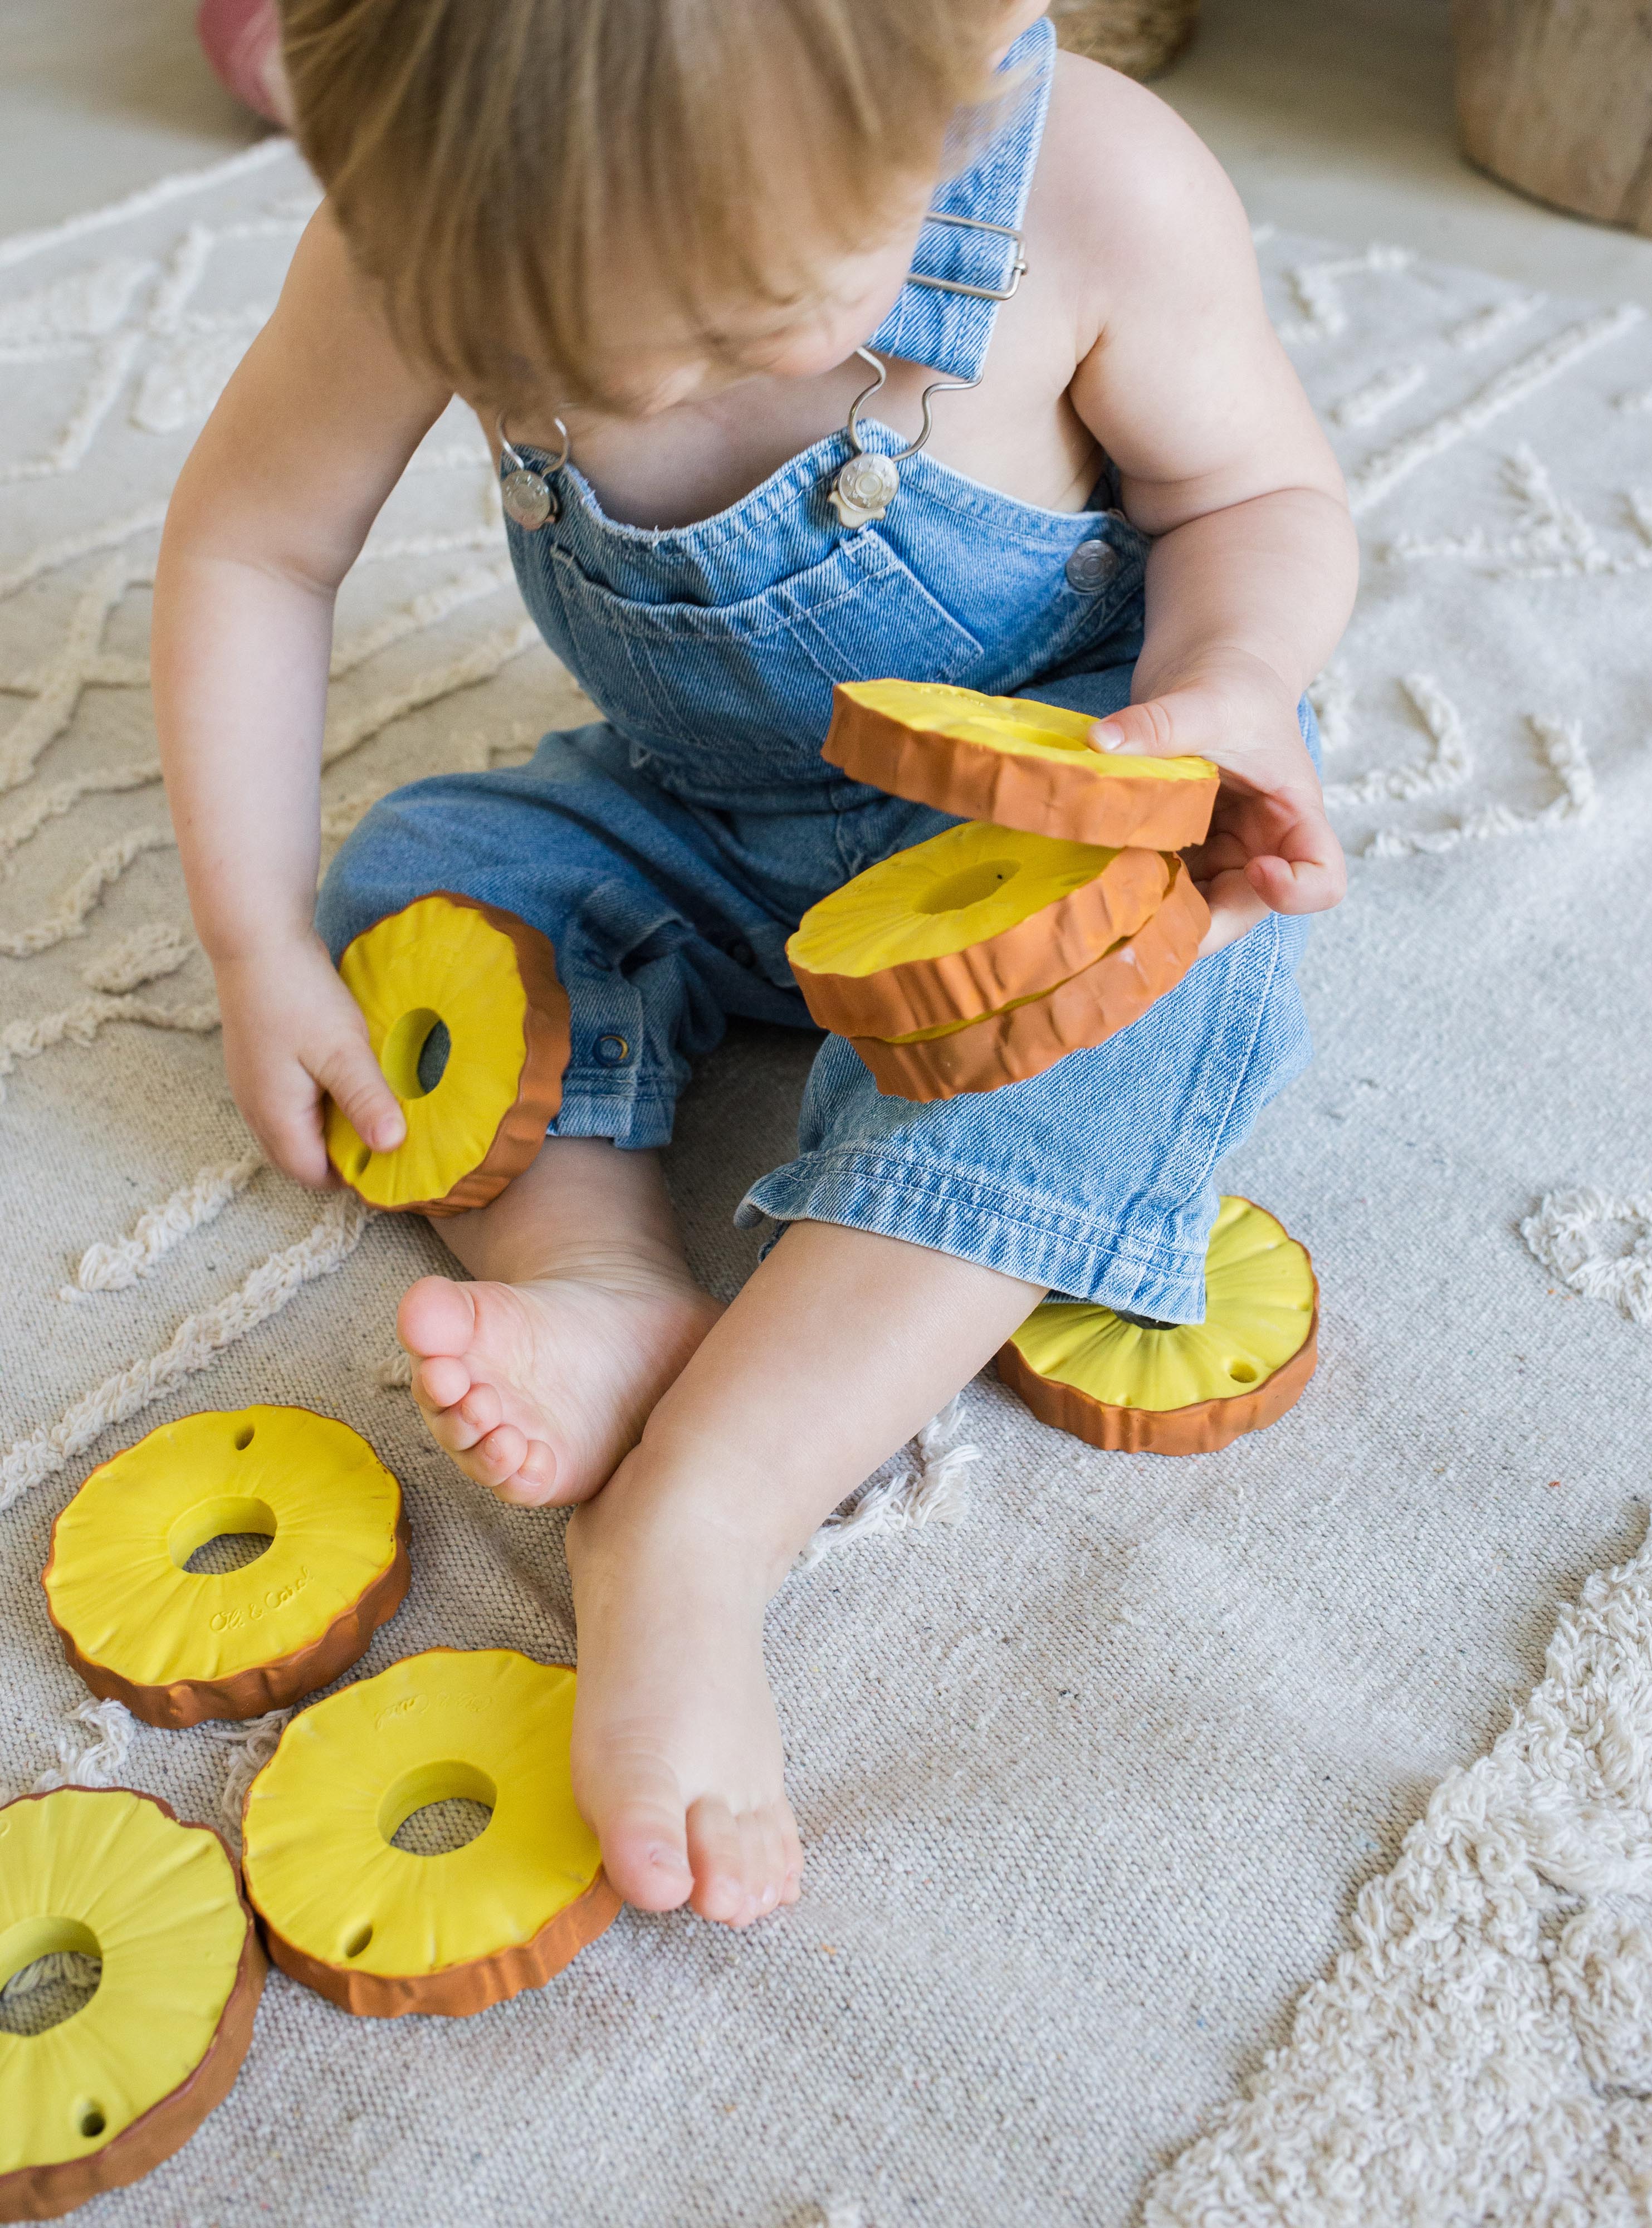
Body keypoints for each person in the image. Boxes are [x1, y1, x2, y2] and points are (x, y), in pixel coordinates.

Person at [152, 0, 1355, 1932]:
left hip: (1040, 846)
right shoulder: (422, 225)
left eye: (742, 328)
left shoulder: (1094, 196)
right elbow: (254, 552)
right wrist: (249, 935)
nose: (643, 389)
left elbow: (1259, 500)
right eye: (542, 365)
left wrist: (1226, 694)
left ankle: (709, 1508)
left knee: (1171, 1001)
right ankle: (600, 1281)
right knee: (434, 879)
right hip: (700, 807)